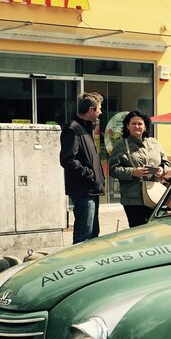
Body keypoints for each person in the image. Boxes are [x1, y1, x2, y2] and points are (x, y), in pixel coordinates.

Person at [109, 110, 171, 228]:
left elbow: (167, 163)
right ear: (127, 126)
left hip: (154, 194)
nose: (137, 126)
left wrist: (162, 169)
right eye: (133, 124)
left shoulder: (154, 142)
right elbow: (113, 170)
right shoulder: (120, 145)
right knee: (138, 231)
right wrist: (133, 172)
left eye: (140, 124)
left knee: (155, 229)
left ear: (145, 126)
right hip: (133, 199)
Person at [60, 92, 105, 243]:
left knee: (92, 233)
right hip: (83, 190)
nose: (100, 112)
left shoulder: (86, 128)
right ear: (91, 110)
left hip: (91, 189)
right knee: (84, 235)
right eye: (99, 108)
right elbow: (67, 160)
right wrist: (91, 175)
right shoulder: (73, 129)